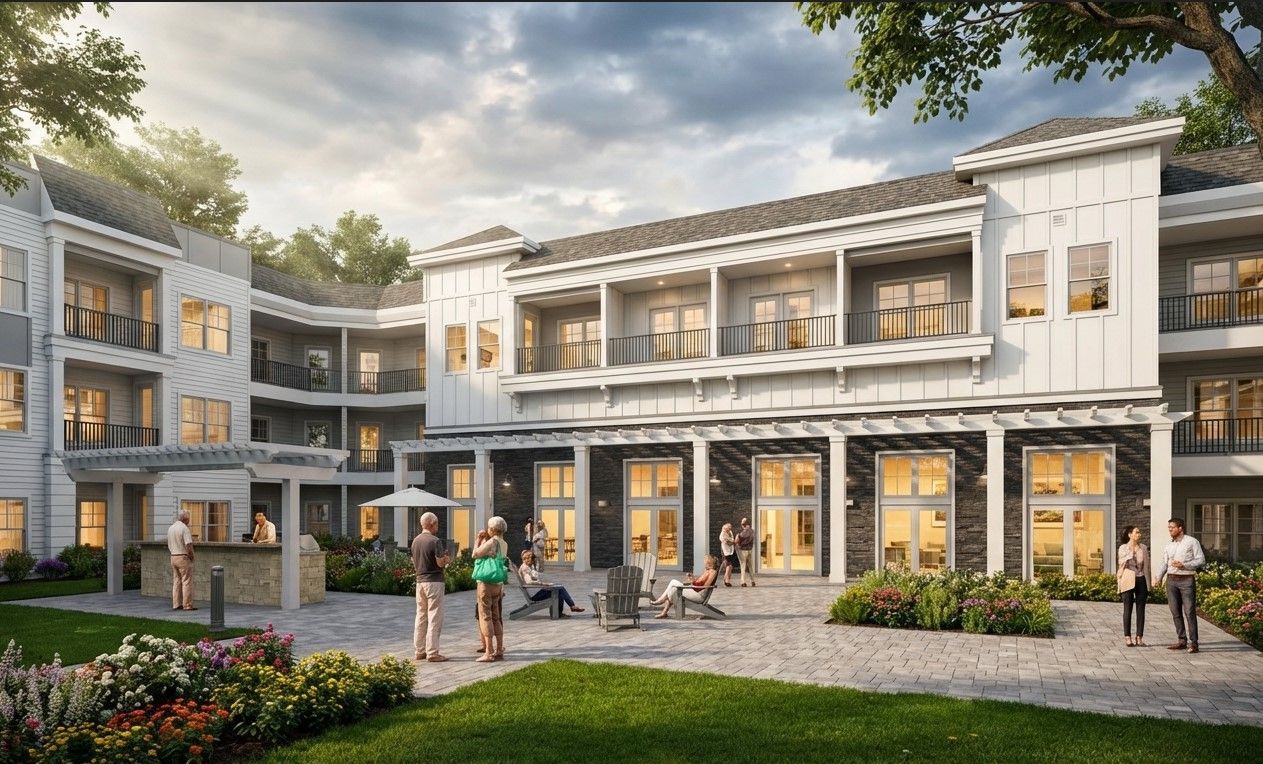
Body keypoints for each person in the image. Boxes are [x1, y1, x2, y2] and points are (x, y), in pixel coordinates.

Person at [1155, 517, 1206, 653]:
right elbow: (1164, 563)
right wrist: (1158, 577)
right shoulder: (1169, 545)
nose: (1170, 529)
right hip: (1171, 580)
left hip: (1186, 580)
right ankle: (1182, 640)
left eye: (1172, 527)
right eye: (1169, 527)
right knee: (1175, 612)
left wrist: (1184, 565)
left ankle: (1194, 643)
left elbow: (1201, 560)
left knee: (1189, 612)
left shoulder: (1192, 542)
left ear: (1180, 528)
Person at [410, 512, 451, 663]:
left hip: (420, 581)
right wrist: (446, 559)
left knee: (421, 616)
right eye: (437, 524)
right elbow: (440, 563)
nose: (438, 527)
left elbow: (414, 563)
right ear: (432, 523)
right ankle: (433, 652)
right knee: (434, 616)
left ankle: (419, 650)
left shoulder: (415, 541)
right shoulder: (435, 541)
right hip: (434, 581)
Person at [472, 516, 510, 662]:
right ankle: (499, 649)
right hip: (498, 584)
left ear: (493, 529)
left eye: (489, 527)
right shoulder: (504, 543)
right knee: (496, 616)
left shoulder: (492, 541)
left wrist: (477, 540)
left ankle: (489, 651)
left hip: (486, 583)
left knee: (485, 616)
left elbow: (475, 554)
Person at [649, 555, 719, 619]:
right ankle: (663, 612)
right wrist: (692, 579)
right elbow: (698, 582)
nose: (704, 564)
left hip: (699, 595)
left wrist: (693, 583)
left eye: (705, 562)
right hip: (695, 591)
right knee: (672, 591)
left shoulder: (713, 572)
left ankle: (660, 601)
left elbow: (706, 586)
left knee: (673, 583)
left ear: (709, 563)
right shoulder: (707, 571)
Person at [518, 550, 585, 615]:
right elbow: (529, 582)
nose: (532, 562)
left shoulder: (525, 566)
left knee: (559, 588)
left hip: (535, 592)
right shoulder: (525, 568)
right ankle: (569, 608)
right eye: (532, 560)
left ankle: (568, 608)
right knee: (559, 590)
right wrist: (543, 584)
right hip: (535, 595)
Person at [1117, 525, 1151, 647]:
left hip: (1141, 578)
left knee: (1141, 609)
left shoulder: (1143, 548)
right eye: (1137, 532)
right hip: (1128, 578)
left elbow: (1147, 566)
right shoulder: (1123, 548)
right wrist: (1131, 551)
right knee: (1128, 608)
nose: (1139, 534)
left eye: (1139, 532)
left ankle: (1139, 637)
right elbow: (1121, 561)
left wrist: (1148, 583)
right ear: (1130, 535)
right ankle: (1127, 637)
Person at [167, 509, 196, 611]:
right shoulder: (184, 529)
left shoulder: (171, 528)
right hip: (183, 557)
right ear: (185, 519)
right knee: (186, 581)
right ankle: (187, 605)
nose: (189, 521)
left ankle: (176, 604)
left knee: (176, 581)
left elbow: (169, 544)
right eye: (188, 519)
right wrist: (191, 556)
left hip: (173, 556)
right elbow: (188, 545)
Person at [735, 517, 756, 587]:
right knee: (750, 566)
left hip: (743, 551)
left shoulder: (744, 532)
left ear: (744, 524)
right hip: (750, 550)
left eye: (742, 523)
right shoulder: (752, 531)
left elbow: (738, 540)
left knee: (743, 565)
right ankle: (753, 581)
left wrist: (737, 536)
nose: (741, 524)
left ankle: (743, 581)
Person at [719, 523, 737, 587]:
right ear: (724, 528)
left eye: (729, 528)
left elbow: (732, 540)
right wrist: (732, 541)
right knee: (728, 566)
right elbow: (729, 543)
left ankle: (727, 579)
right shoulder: (722, 534)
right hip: (725, 552)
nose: (729, 530)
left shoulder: (730, 532)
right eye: (727, 529)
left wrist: (732, 541)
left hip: (731, 551)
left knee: (730, 566)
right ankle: (726, 580)